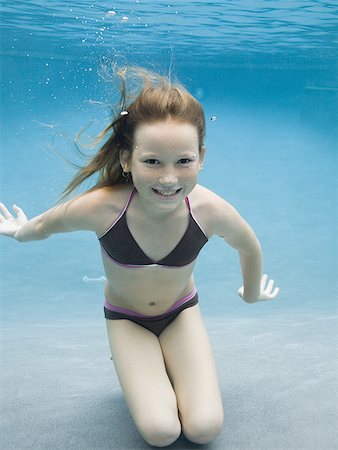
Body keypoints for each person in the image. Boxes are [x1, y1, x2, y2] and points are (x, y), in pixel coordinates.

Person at [0, 66, 279, 447]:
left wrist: (250, 293)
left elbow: (249, 246)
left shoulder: (211, 211)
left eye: (183, 161)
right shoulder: (102, 208)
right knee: (161, 433)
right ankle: (138, 363)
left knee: (205, 428)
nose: (169, 179)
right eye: (152, 162)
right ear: (127, 160)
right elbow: (47, 225)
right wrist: (19, 232)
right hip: (127, 320)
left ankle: (158, 364)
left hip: (181, 313)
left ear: (201, 157)